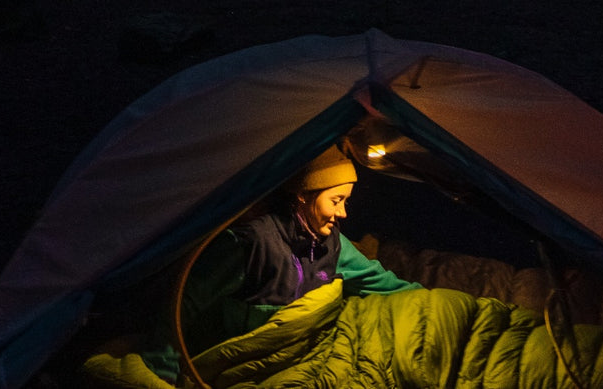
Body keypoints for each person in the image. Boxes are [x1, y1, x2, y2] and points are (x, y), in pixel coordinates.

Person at [138, 145, 421, 383]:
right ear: (303, 194)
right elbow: (180, 308)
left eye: (346, 201)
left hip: (297, 359)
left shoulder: (331, 243)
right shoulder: (251, 244)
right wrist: (163, 376)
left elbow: (378, 281)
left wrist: (428, 299)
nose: (343, 212)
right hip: (237, 366)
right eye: (336, 201)